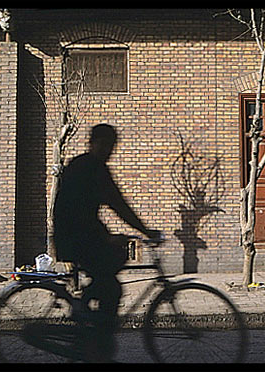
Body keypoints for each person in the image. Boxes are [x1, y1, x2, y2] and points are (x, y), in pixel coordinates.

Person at [53, 123, 160, 362]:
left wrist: (138, 230)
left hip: (78, 233)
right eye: (105, 145)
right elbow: (113, 205)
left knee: (109, 274)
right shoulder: (89, 167)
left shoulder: (89, 165)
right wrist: (130, 233)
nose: (108, 150)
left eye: (111, 146)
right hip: (75, 235)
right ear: (93, 143)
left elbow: (115, 203)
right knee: (111, 286)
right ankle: (95, 335)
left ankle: (88, 318)